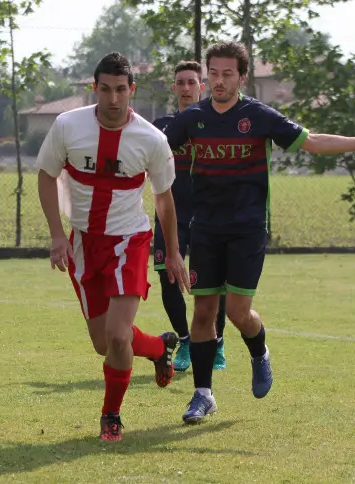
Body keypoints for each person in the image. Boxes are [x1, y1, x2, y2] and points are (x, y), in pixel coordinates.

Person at [164, 41, 355, 424]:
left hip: (247, 230)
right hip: (206, 229)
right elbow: (152, 148)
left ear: (242, 77)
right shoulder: (192, 117)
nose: (219, 81)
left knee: (240, 313)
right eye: (213, 74)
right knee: (203, 312)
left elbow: (311, 141)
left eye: (228, 74)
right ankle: (203, 394)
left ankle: (259, 353)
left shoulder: (258, 116)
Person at [36, 52, 192, 441]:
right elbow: (45, 176)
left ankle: (111, 415)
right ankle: (158, 347)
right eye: (105, 89)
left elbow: (164, 199)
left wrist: (172, 252)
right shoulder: (67, 125)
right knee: (103, 342)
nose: (113, 99)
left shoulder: (151, 140)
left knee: (119, 336)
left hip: (130, 241)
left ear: (131, 91)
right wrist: (58, 236)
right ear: (95, 88)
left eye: (121, 90)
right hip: (85, 244)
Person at [151, 60, 228, 374]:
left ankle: (216, 343)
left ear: (202, 87)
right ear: (174, 88)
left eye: (191, 82)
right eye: (180, 82)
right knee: (167, 276)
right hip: (169, 214)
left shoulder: (216, 123)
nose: (185, 88)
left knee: (213, 282)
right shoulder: (160, 126)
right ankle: (185, 339)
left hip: (210, 216)